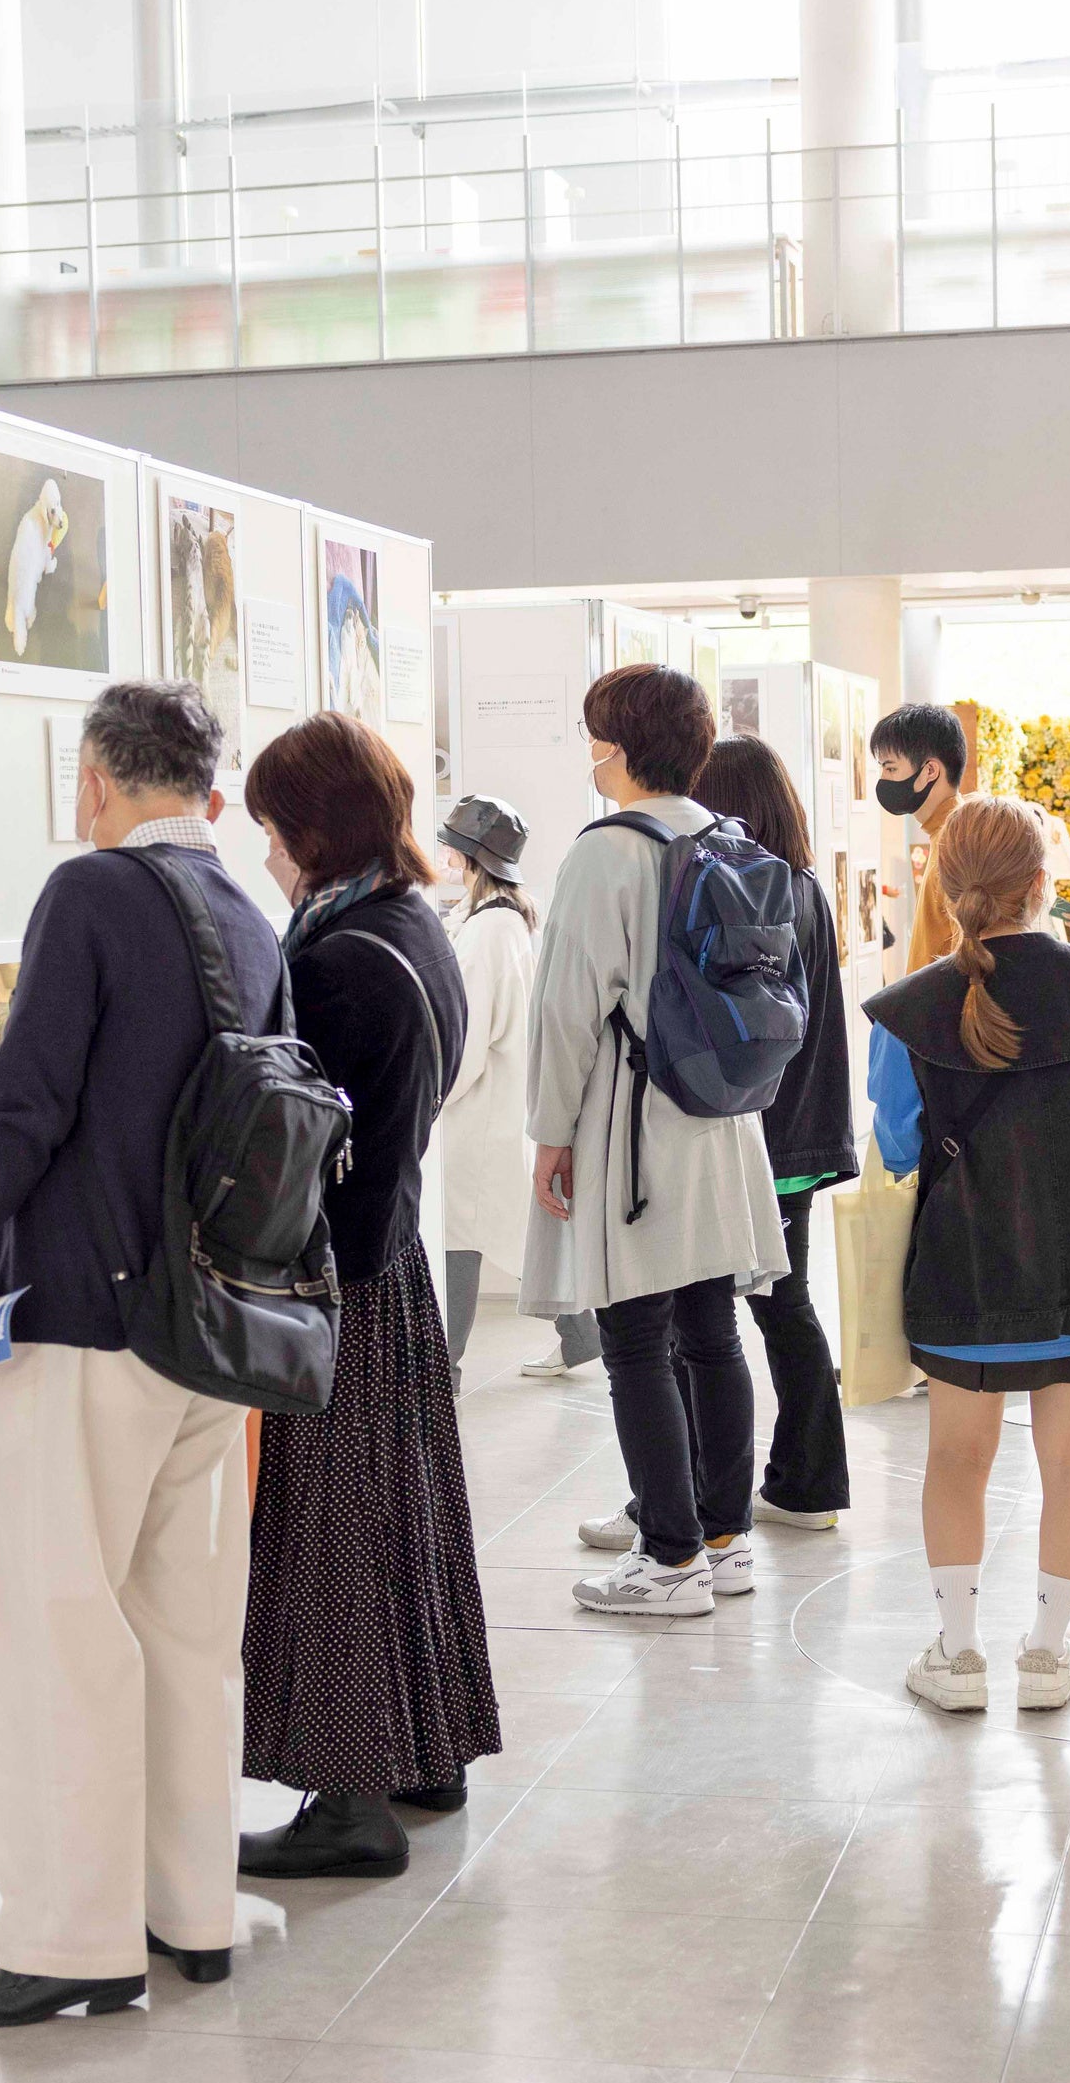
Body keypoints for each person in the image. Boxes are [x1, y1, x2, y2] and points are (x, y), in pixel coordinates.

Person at [0, 679, 276, 2024]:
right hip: (206, 1334)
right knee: (185, 1629)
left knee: (57, 1626)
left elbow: (33, 1106)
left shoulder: (91, 893)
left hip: (85, 1325)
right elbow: (177, 1106)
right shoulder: (245, 911)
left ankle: (69, 1942)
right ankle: (190, 1909)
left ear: (97, 780)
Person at [232, 715, 505, 1880]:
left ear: (315, 829)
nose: (264, 854)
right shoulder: (412, 923)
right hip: (389, 1265)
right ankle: (423, 1753)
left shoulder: (338, 955)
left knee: (333, 1535)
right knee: (402, 1520)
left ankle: (347, 1801)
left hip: (338, 1277)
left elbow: (300, 1137)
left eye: (272, 829)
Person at [867, 798, 1070, 1714]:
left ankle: (958, 1657)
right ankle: (1047, 1653)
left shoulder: (909, 1009)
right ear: (1042, 884)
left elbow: (901, 1148)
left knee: (957, 1456)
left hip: (968, 1262)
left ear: (944, 888)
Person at [526, 665, 788, 1615]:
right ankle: (724, 1540)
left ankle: (668, 1559)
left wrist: (550, 1132)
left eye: (595, 736)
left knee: (635, 1338)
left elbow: (567, 1008)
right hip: (721, 1118)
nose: (591, 754)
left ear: (622, 747)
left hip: (634, 1122)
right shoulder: (725, 837)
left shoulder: (607, 852)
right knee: (712, 1332)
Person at [695, 735, 853, 1526]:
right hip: (796, 1136)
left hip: (767, 1139)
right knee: (780, 1307)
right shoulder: (803, 886)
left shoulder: (765, 893)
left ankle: (733, 1490)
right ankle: (803, 1483)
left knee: (730, 1316)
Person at [432, 793, 536, 1366]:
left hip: (476, 1106)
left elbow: (466, 1037)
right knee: (505, 1232)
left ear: (471, 857)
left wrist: (434, 1097)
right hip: (496, 1102)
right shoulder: (502, 921)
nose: (445, 859)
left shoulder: (488, 931)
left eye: (451, 850)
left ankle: (444, 1364)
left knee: (462, 1236)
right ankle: (581, 1335)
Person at [867, 699, 970, 972]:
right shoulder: (947, 834)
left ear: (930, 771)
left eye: (890, 768)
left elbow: (969, 955)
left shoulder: (958, 844)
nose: (883, 779)